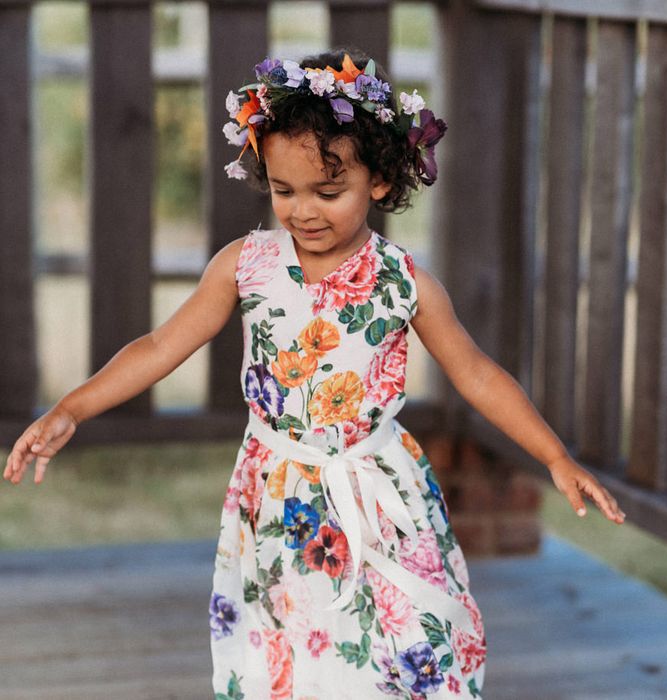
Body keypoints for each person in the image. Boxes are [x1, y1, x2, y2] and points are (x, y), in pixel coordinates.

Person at [3, 48, 625, 699]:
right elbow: (160, 346)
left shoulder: (402, 281)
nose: (303, 210)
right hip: (283, 500)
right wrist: (71, 408)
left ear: (380, 181)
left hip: (380, 492)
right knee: (300, 656)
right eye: (283, 190)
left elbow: (474, 372)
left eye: (328, 192)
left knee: (413, 639)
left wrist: (553, 455)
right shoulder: (247, 265)